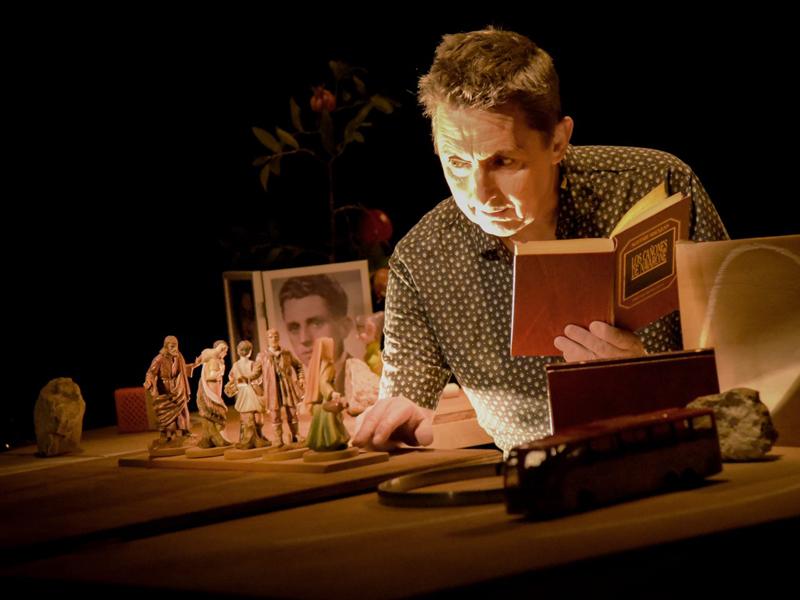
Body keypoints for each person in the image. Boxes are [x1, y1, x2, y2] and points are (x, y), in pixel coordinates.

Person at [353, 28, 728, 455]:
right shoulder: (423, 258)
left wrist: (645, 378)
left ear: (557, 141)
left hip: (681, 456)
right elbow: (406, 399)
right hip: (536, 481)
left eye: (503, 161)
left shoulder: (655, 184)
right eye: (457, 162)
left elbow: (745, 359)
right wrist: (399, 419)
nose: (479, 194)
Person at [278, 274, 354, 393]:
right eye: (294, 328)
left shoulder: (362, 380)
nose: (304, 339)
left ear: (344, 328)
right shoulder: (292, 388)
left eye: (316, 324)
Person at [143, 335, 193, 447]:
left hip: (178, 388)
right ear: (166, 346)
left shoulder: (179, 356)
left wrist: (194, 365)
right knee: (168, 414)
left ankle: (185, 432)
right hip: (165, 390)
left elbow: (182, 369)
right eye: (172, 346)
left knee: (183, 410)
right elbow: (151, 373)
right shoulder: (159, 359)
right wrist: (149, 381)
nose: (175, 349)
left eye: (176, 346)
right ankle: (169, 435)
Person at [258, 328, 305, 446]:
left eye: (275, 336)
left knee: (293, 412)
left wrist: (301, 378)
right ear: (267, 339)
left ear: (278, 338)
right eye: (270, 337)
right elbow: (256, 372)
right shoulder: (262, 356)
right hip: (272, 389)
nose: (273, 339)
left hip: (287, 387)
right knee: (275, 414)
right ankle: (278, 437)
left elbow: (298, 365)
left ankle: (296, 435)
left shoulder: (286, 353)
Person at [304, 337, 351, 452]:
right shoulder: (327, 364)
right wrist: (332, 393)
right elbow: (323, 382)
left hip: (320, 401)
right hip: (326, 399)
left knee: (322, 423)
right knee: (331, 422)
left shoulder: (318, 364)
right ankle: (333, 441)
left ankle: (322, 442)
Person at [226, 340, 271, 449]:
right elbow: (258, 378)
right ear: (250, 352)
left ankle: (254, 437)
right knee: (256, 416)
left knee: (248, 416)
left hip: (243, 392)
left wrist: (235, 384)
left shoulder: (236, 365)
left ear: (238, 351)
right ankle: (253, 438)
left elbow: (231, 377)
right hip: (252, 391)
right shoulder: (253, 364)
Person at [192, 340, 231, 449]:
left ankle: (214, 436)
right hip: (211, 390)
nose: (225, 353)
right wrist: (220, 372)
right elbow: (210, 376)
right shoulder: (213, 361)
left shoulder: (215, 360)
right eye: (224, 350)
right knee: (215, 409)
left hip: (215, 389)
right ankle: (214, 437)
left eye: (225, 350)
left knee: (216, 410)